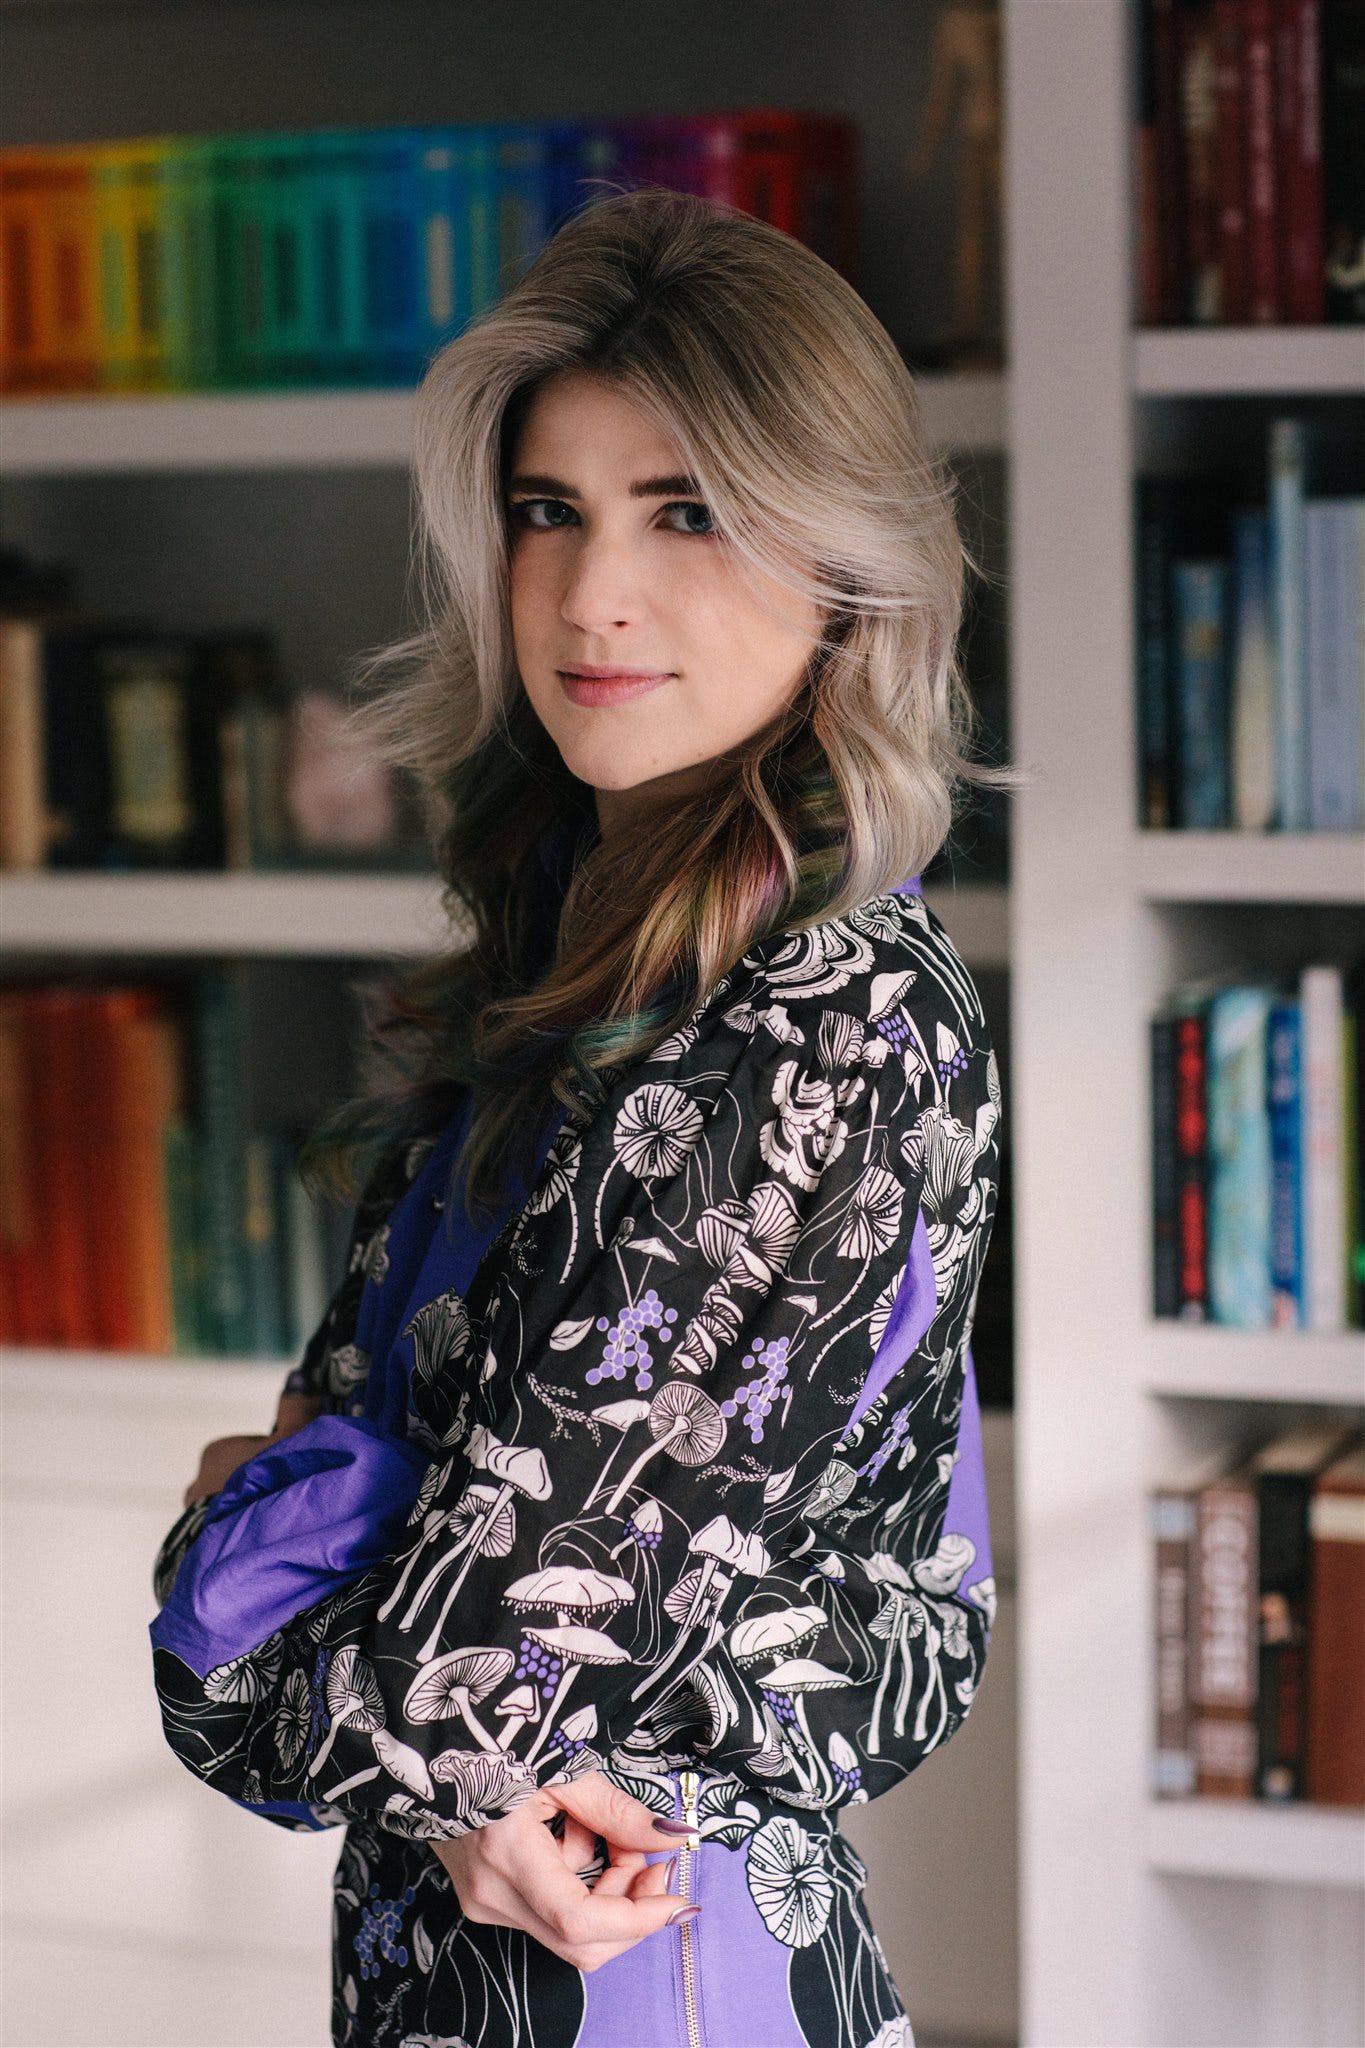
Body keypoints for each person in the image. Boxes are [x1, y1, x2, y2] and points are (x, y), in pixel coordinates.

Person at [151, 183, 1018, 2048]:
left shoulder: (826, 1022)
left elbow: (340, 1649)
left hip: (638, 1952)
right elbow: (395, 1551)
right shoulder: (570, 965)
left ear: (845, 561)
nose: (590, 595)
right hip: (451, 1958)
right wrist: (427, 1689)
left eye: (686, 512)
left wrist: (269, 1565)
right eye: (549, 511)